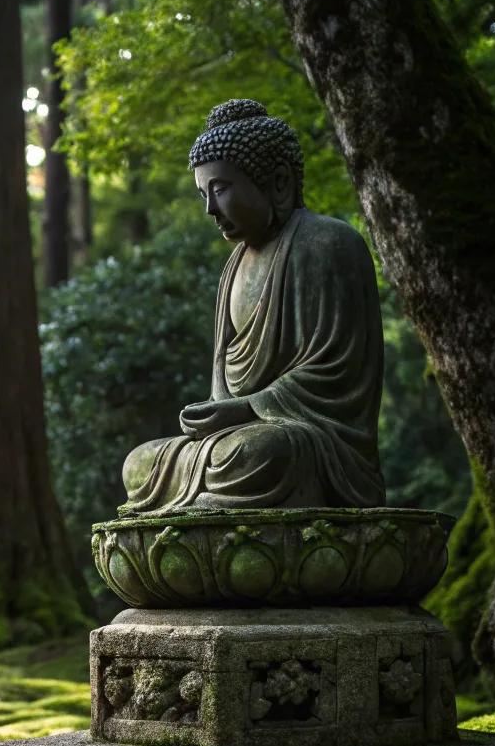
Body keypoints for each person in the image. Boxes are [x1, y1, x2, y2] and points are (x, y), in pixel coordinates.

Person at [120, 99, 386, 513]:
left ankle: (215, 500)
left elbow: (340, 373)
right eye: (202, 194)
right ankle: (205, 497)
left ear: (278, 183)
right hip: (236, 441)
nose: (210, 209)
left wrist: (248, 408)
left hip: (310, 442)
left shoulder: (329, 244)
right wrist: (214, 415)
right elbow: (224, 379)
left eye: (220, 189)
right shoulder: (233, 268)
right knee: (140, 463)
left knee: (262, 452)